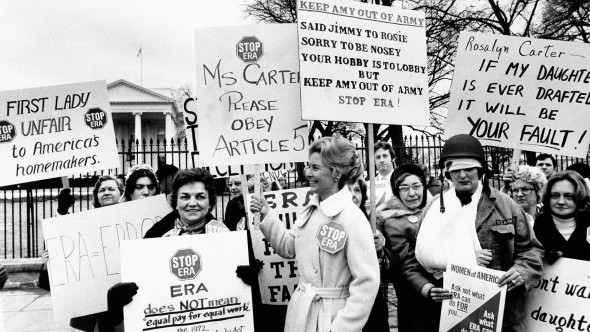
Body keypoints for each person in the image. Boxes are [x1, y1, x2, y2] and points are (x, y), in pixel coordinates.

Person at [250, 134, 379, 332]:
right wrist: (267, 214)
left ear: (336, 173)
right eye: (308, 166)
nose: (307, 173)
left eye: (315, 168)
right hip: (303, 311)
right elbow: (288, 247)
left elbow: (367, 282)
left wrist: (341, 328)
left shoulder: (352, 217)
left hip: (331, 316)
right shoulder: (311, 209)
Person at [415, 134, 543, 332]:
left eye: (469, 168)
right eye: (457, 170)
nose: (463, 175)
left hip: (505, 314)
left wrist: (521, 272)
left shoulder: (506, 205)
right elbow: (415, 260)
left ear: (480, 170)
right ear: (448, 173)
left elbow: (531, 250)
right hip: (455, 313)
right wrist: (427, 288)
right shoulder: (433, 209)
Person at [380, 164, 450, 332]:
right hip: (416, 296)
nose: (412, 193)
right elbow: (407, 263)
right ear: (397, 192)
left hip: (447, 291)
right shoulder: (393, 221)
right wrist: (427, 288)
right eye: (404, 188)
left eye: (416, 186)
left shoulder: (438, 209)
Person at [347, 178, 390, 332]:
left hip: (372, 302)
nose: (352, 195)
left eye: (357, 190)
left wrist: (381, 249)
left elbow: (392, 267)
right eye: (347, 190)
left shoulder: (373, 224)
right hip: (344, 301)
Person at [534, 170, 590, 262]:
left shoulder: (588, 221)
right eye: (555, 195)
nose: (561, 202)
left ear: (580, 196)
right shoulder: (538, 224)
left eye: (569, 196)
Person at [144, 168, 217, 237]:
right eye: (185, 197)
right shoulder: (155, 234)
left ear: (210, 202)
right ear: (176, 202)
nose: (192, 203)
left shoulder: (223, 234)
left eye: (200, 197)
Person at [374, 141, 396, 207]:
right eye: (378, 157)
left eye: (385, 156)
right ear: (374, 161)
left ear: (393, 159)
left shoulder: (402, 180)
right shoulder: (369, 184)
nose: (381, 160)